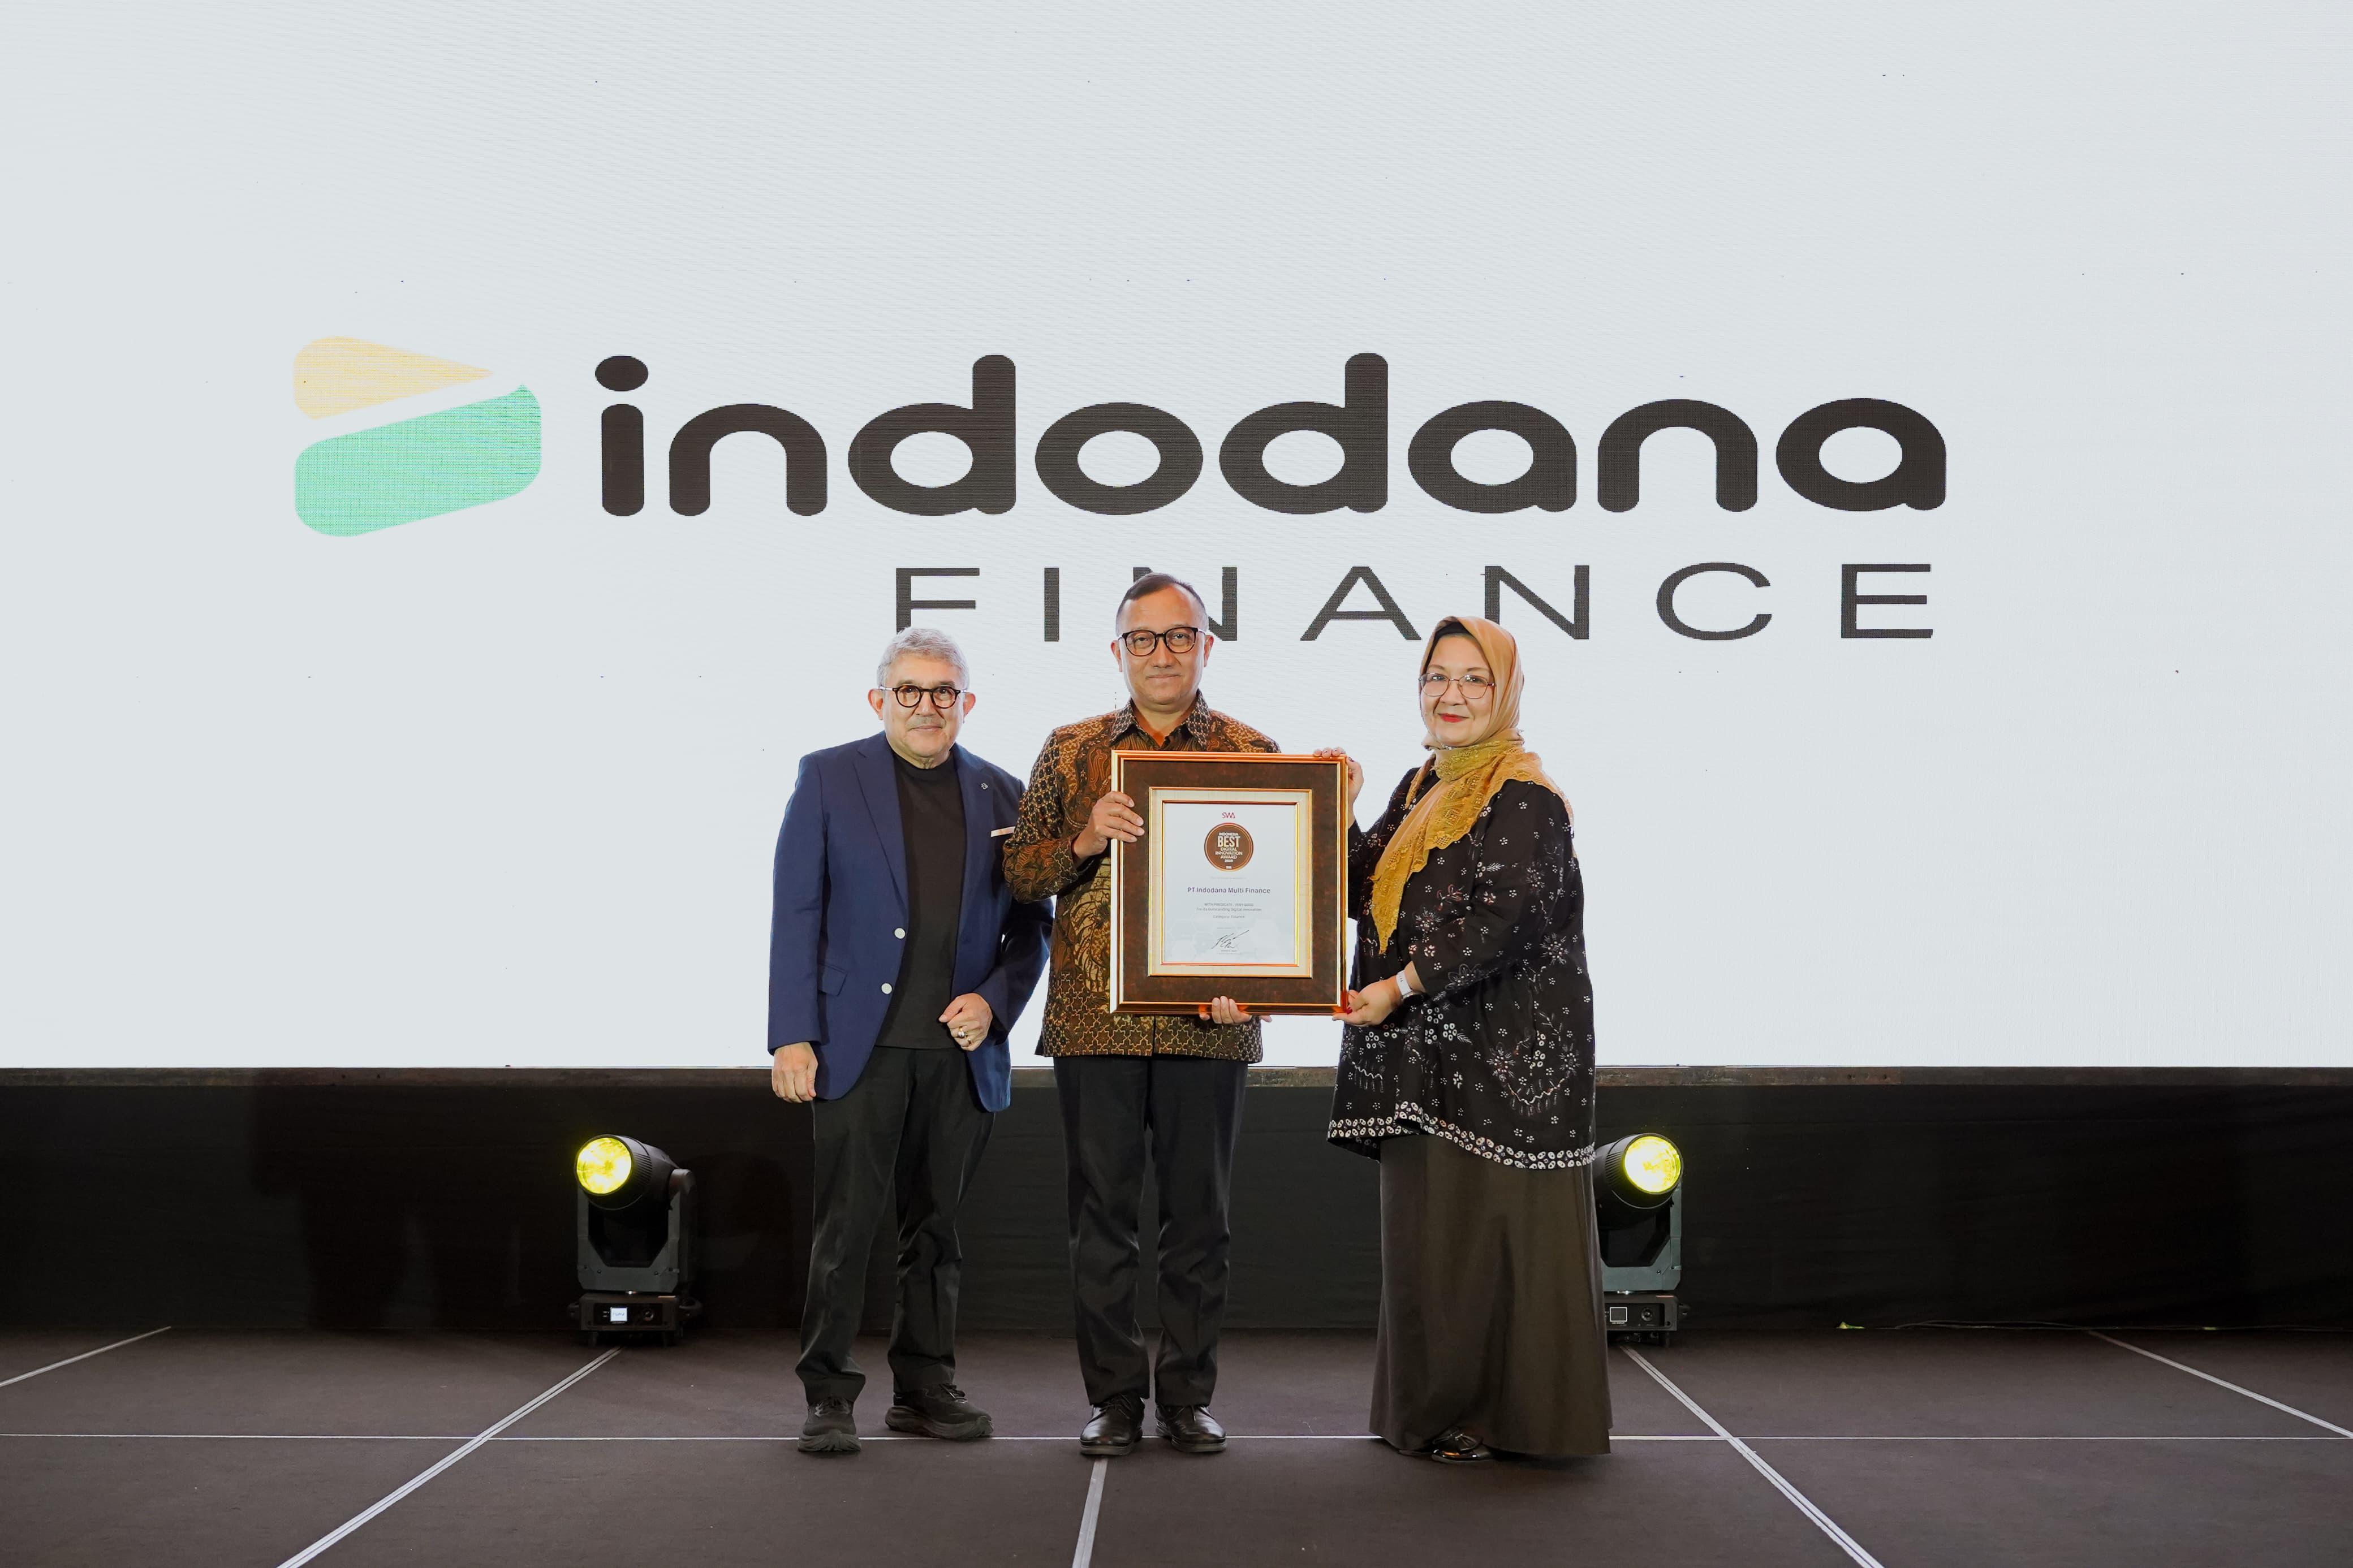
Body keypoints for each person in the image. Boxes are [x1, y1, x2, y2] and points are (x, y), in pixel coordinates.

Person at [1325, 614, 1609, 1461]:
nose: (1451, 695)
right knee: (1434, 1236)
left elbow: (1503, 923)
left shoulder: (1524, 794)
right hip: (1429, 1054)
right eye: (1437, 677)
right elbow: (1362, 891)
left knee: (1495, 1235)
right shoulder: (1424, 785)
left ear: (1506, 692)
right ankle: (1438, 1409)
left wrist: (1397, 987)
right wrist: (1336, 810)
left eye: (1474, 679)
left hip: (1505, 1059)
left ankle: (1509, 1418)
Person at [1003, 572, 1274, 1458]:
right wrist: (1084, 838)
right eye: (1144, 638)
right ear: (1118, 651)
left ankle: (1187, 1397)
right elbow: (1020, 874)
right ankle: (1115, 1398)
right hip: (1096, 1022)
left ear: (1207, 646)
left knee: (1201, 1222)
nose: (1163, 653)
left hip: (1210, 1022)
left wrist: (1258, 980)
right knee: (1102, 1222)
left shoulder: (1253, 751)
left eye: (1180, 635)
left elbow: (1280, 894)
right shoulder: (1070, 749)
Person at [768, 627, 1051, 1457]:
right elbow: (796, 912)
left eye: (944, 691)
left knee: (936, 1234)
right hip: (855, 1045)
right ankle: (828, 1394)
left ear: (967, 702)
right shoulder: (828, 777)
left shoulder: (1006, 793)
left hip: (959, 1053)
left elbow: (1033, 928)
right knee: (846, 1229)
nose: (928, 706)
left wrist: (994, 1003)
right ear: (879, 700)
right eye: (910, 691)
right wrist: (792, 1034)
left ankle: (924, 1388)